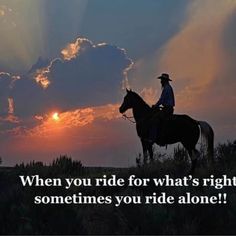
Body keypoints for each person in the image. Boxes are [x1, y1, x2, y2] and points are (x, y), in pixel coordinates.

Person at [148, 73, 175, 143]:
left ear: (165, 80)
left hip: (167, 109)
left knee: (154, 119)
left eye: (162, 80)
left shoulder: (166, 88)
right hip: (167, 108)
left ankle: (152, 138)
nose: (160, 81)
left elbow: (162, 99)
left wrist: (156, 105)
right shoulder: (168, 87)